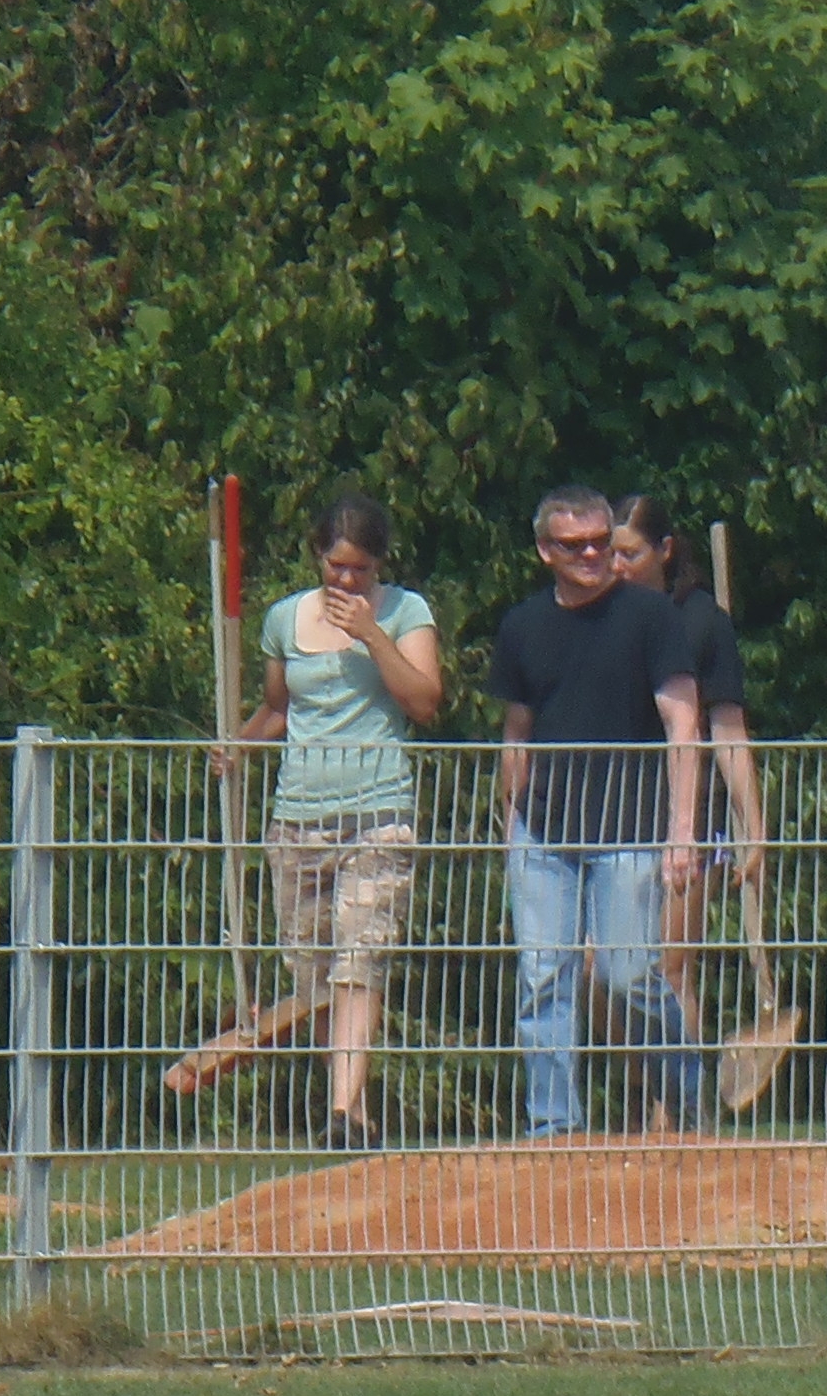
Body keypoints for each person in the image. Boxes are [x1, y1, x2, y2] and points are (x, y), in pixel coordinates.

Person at [490, 484, 704, 1138]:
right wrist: (510, 822)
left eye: (600, 543)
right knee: (542, 975)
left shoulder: (650, 616)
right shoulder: (522, 625)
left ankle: (690, 1093)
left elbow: (684, 721)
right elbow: (516, 732)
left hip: (629, 823)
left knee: (630, 973)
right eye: (574, 545)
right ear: (544, 550)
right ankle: (553, 1125)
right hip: (545, 826)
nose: (591, 555)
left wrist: (683, 834)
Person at [242, 491, 441, 1148]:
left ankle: (343, 1111)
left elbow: (423, 701)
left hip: (377, 813)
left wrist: (370, 633)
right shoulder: (282, 620)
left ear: (379, 564)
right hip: (298, 817)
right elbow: (278, 709)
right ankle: (347, 1108)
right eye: (336, 566)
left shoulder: (407, 612)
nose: (347, 580)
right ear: (318, 558)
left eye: (360, 568)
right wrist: (236, 745)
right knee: (314, 971)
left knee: (362, 957)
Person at [612, 495, 767, 1111]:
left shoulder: (702, 622)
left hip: (688, 818)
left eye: (630, 553)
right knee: (606, 974)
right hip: (610, 815)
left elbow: (728, 731)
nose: (616, 565)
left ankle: (673, 1123)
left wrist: (753, 828)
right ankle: (664, 1088)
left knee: (670, 969)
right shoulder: (597, 617)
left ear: (665, 550)